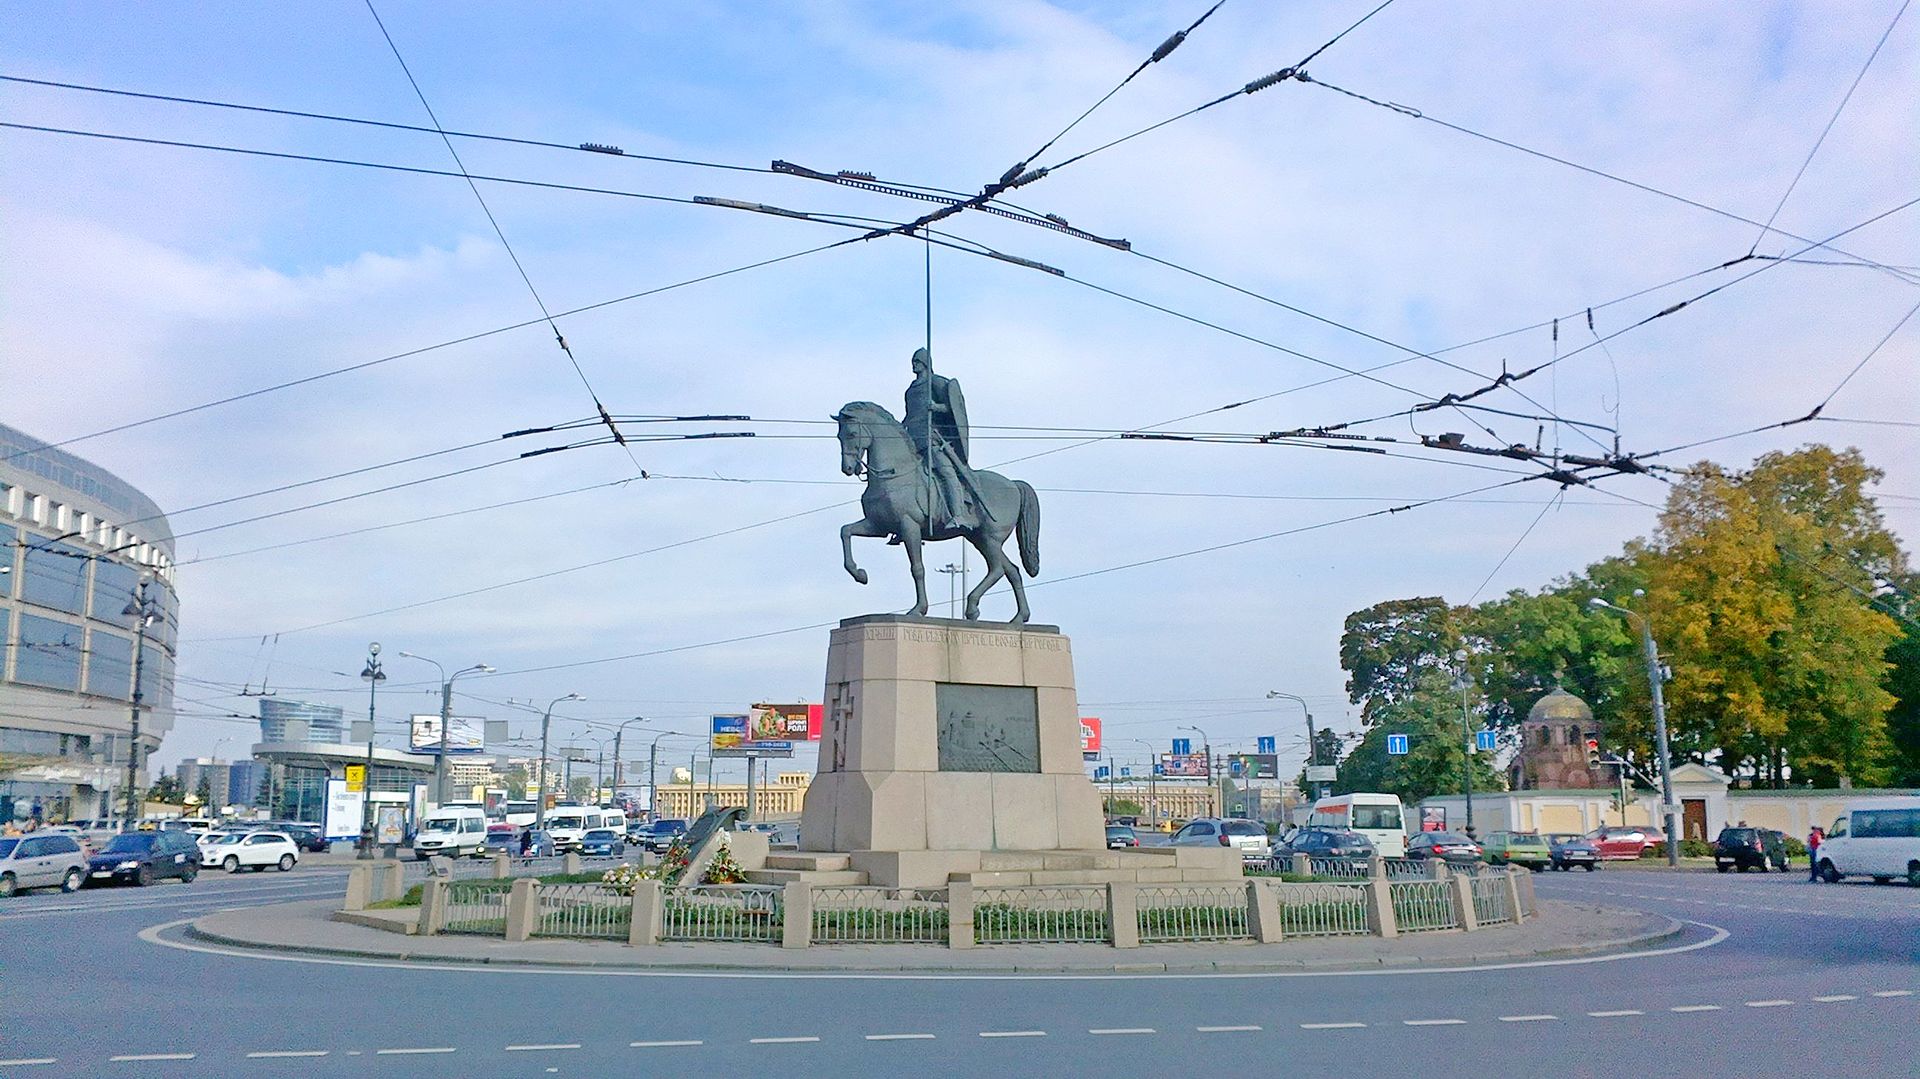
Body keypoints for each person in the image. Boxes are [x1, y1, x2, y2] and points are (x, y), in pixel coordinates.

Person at [901, 347, 986, 533]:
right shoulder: (910, 391)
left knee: (947, 473)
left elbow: (952, 407)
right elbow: (910, 415)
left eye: (918, 361)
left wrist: (936, 407)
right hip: (913, 441)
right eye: (913, 362)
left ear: (925, 363)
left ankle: (958, 514)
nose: (914, 365)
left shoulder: (937, 383)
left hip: (934, 439)